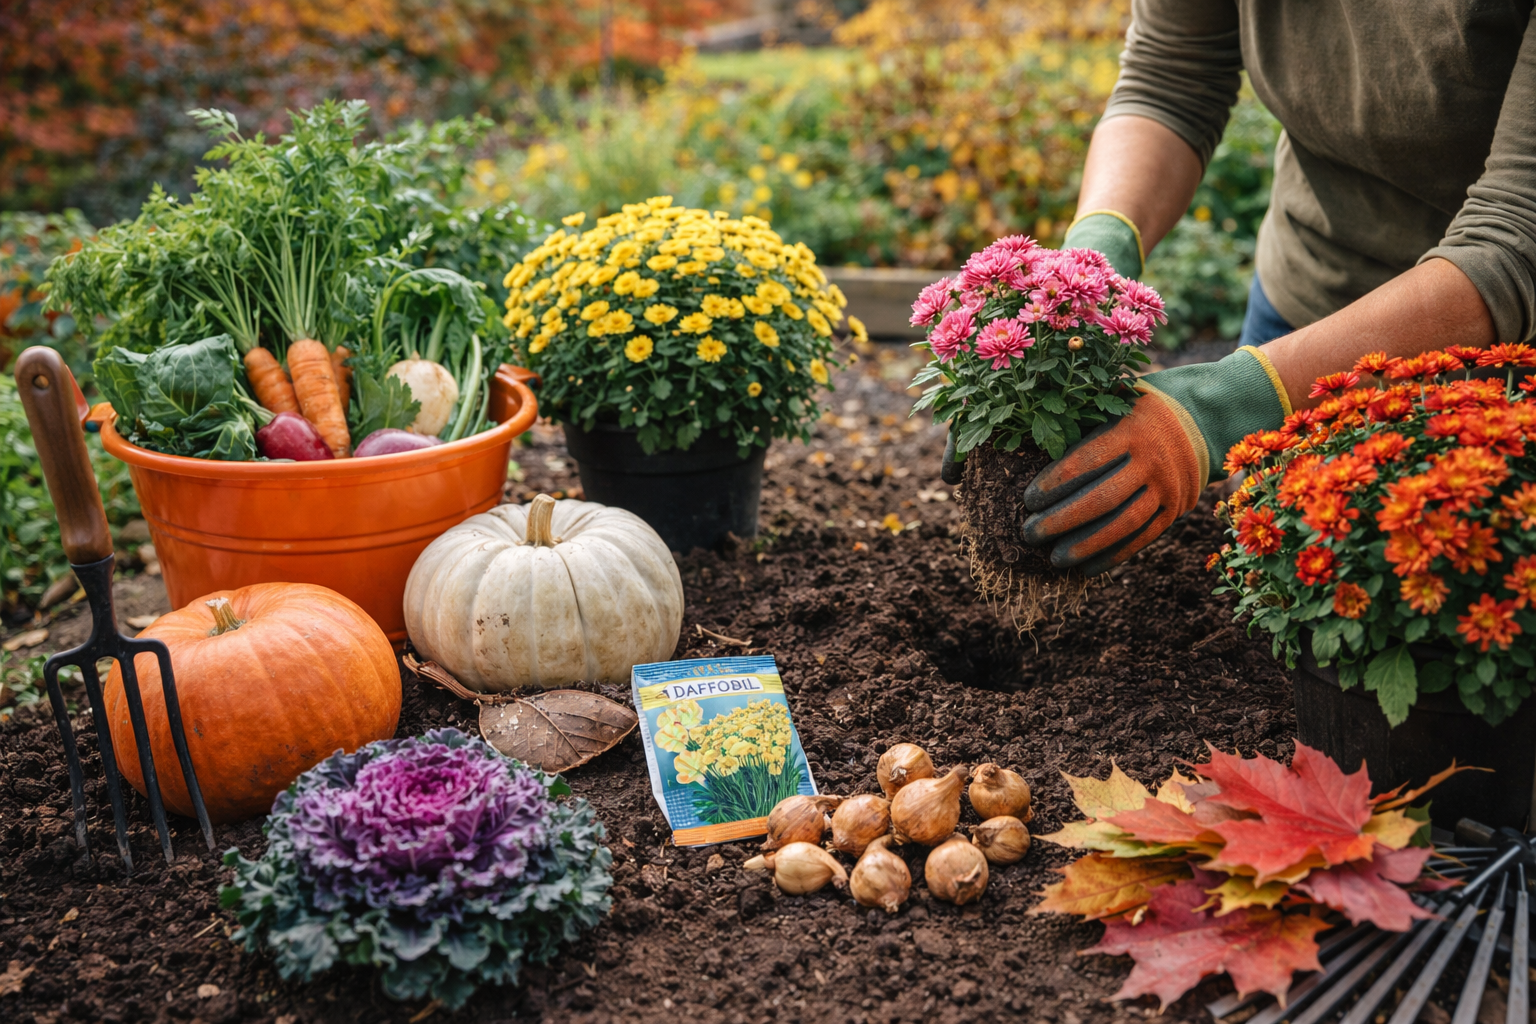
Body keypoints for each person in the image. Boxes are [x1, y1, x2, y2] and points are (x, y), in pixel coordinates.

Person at [946, 0, 1534, 577]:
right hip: (1304, 296)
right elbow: (1170, 75)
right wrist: (1092, 259)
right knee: (1273, 593)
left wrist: (1219, 402)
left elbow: (1514, 239)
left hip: (1499, 357)